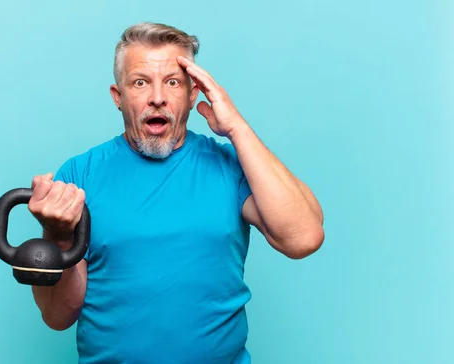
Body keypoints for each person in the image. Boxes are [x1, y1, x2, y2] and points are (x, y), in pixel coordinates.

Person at [28, 22, 324, 363]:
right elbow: (58, 316)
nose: (157, 97)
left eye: (173, 82)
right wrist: (57, 234)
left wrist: (236, 128)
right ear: (118, 97)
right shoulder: (79, 176)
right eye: (141, 83)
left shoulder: (230, 166)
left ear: (193, 93)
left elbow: (303, 237)